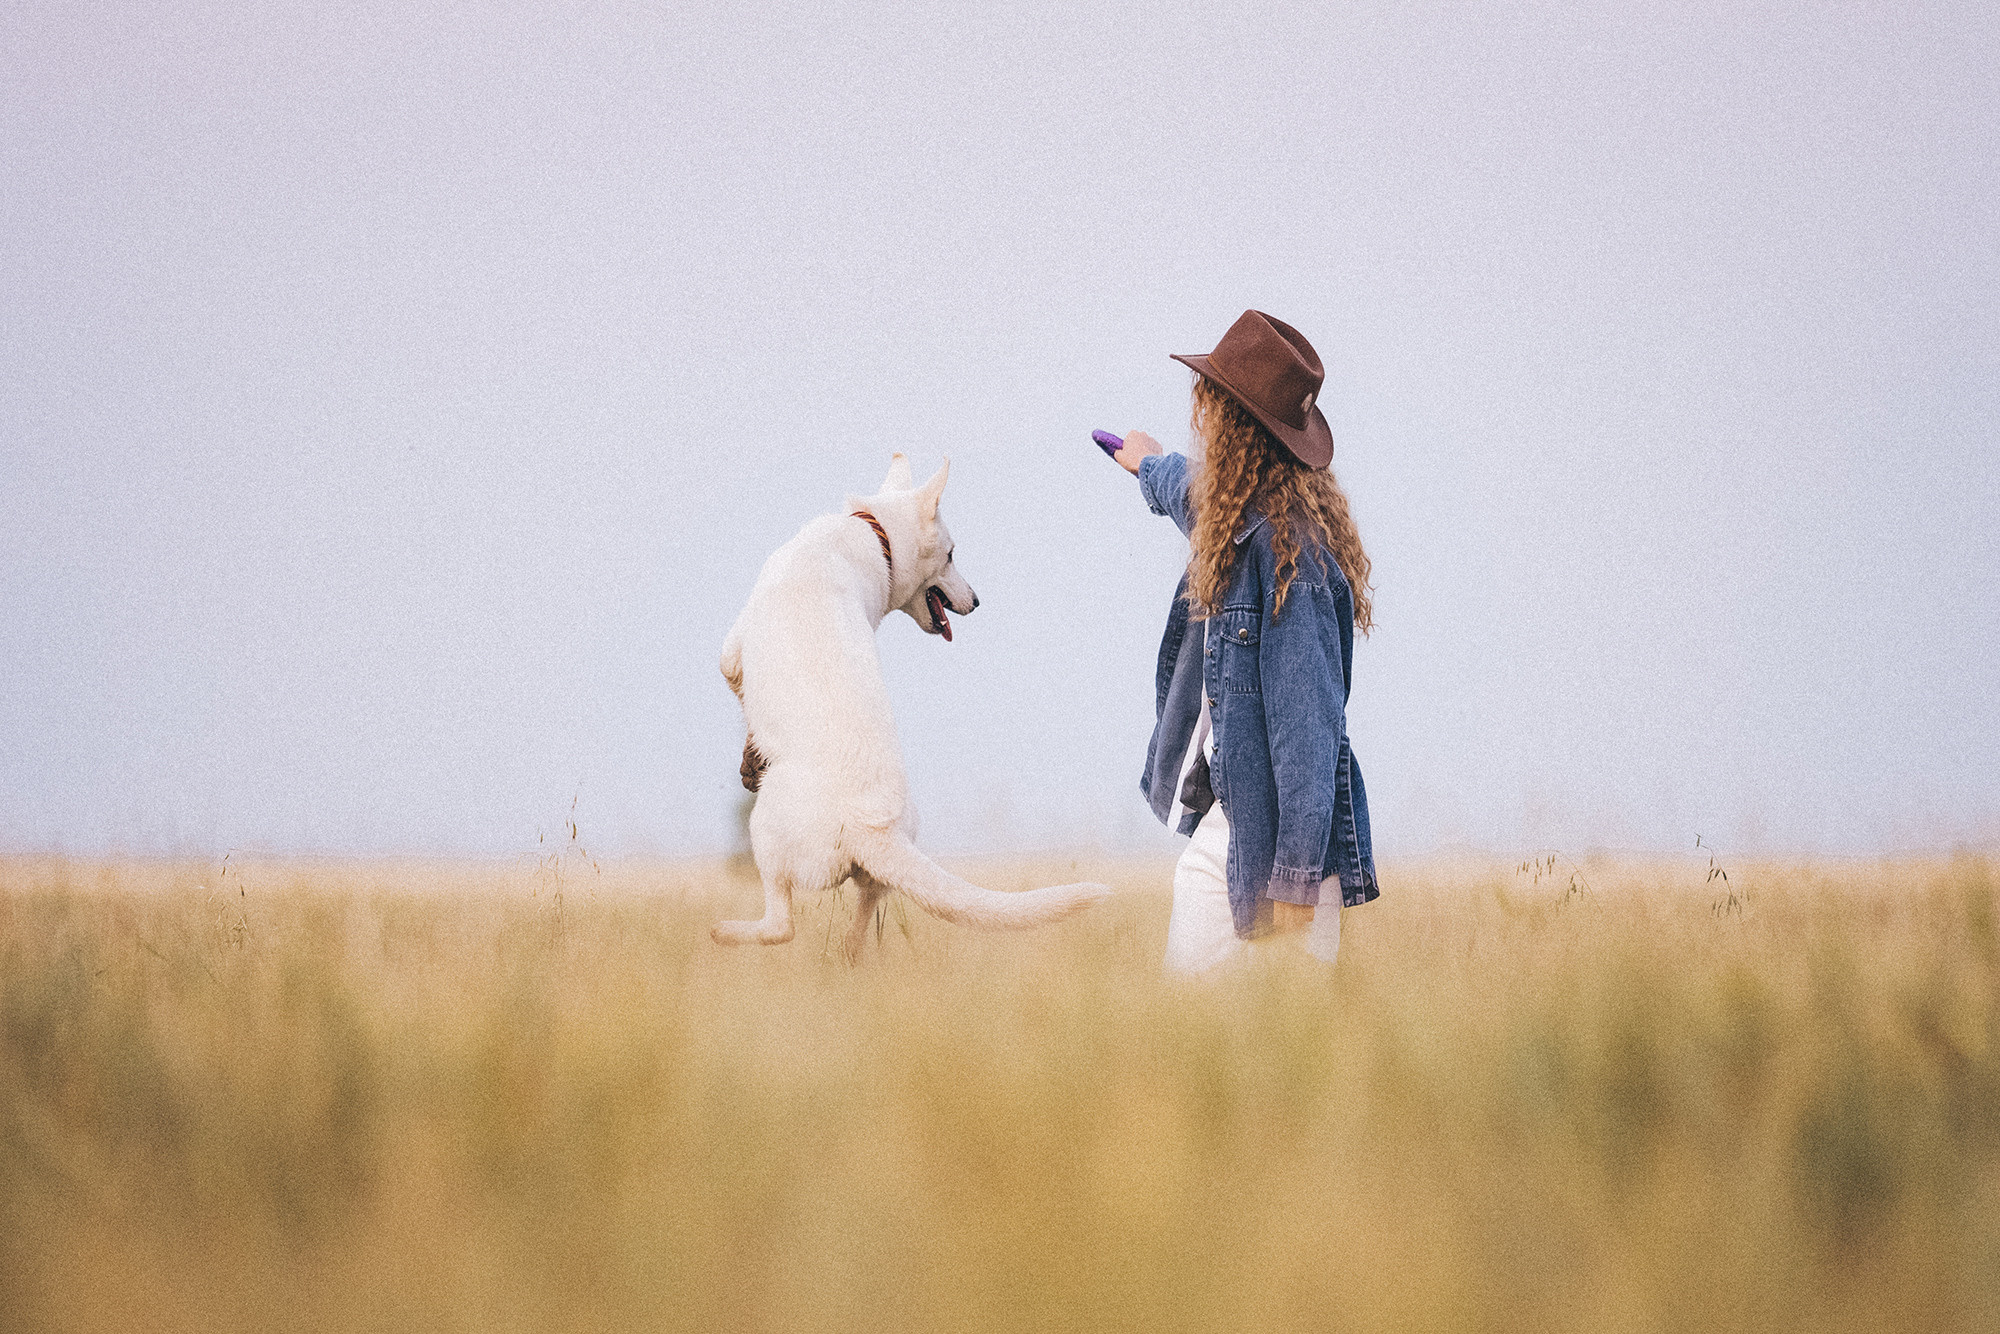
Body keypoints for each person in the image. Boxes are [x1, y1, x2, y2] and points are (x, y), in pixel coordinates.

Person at [1111, 310, 1378, 974]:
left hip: (1276, 853)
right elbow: (1190, 495)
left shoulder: (1294, 562)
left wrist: (1291, 879)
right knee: (1228, 1059)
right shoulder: (1240, 519)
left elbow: (1308, 731)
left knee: (1243, 1051)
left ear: (1234, 426)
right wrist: (1148, 465)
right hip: (1241, 826)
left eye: (1210, 409)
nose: (1200, 421)